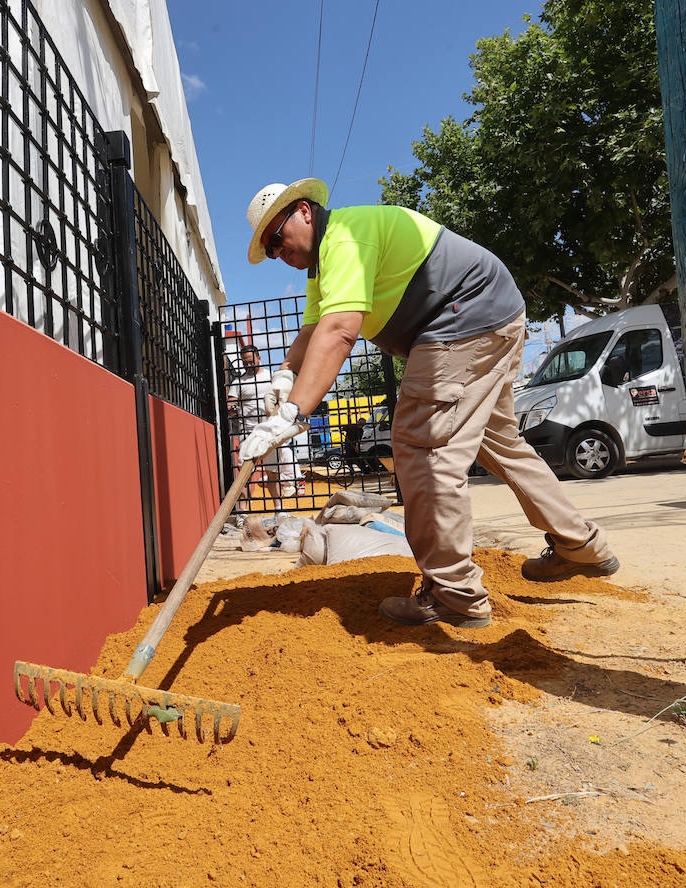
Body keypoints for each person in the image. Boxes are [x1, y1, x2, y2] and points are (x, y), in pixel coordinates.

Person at [237, 178, 619, 629]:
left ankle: (454, 592)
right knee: (499, 443)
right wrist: (285, 374)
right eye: (269, 249)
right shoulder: (322, 265)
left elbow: (340, 330)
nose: (278, 252)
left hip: (464, 319)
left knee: (423, 447)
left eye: (276, 238)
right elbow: (314, 330)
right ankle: (580, 544)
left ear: (303, 211)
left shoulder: (345, 237)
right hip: (491, 314)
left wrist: (292, 413)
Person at [228, 344, 295, 504]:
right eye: (245, 362)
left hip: (271, 431)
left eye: (251, 361)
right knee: (244, 475)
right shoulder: (238, 382)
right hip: (248, 433)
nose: (248, 364)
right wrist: (233, 409)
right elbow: (230, 406)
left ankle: (279, 509)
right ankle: (242, 514)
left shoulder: (272, 377)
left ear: (259, 358)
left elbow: (284, 397)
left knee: (273, 474)